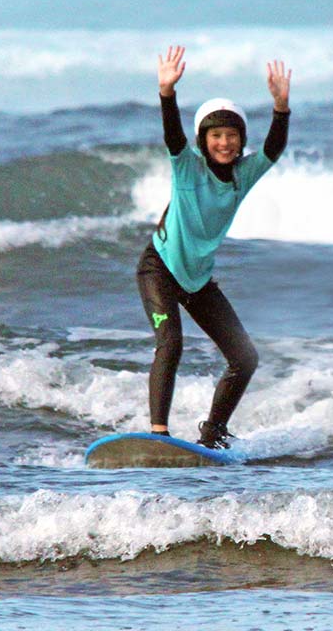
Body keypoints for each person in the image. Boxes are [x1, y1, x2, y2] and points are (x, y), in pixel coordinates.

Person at [135, 45, 291, 448]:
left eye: (232, 135)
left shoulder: (243, 175)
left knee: (245, 357)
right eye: (216, 135)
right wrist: (166, 93)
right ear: (204, 139)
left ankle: (213, 432)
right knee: (170, 344)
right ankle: (159, 435)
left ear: (241, 141)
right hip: (160, 270)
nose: (224, 142)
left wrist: (280, 108)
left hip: (198, 279)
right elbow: (173, 135)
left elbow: (273, 150)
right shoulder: (187, 167)